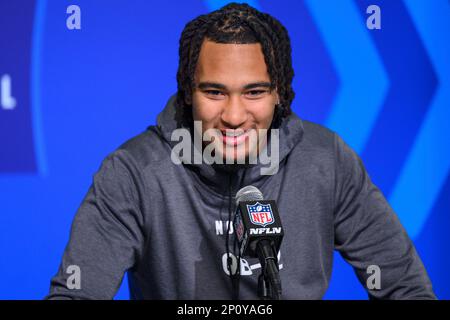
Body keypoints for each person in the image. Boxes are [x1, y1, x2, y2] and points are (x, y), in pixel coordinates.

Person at [46, 3, 435, 300]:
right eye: (214, 92)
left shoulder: (326, 161)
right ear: (188, 92)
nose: (233, 117)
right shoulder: (133, 172)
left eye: (254, 92)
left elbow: (406, 289)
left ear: (280, 93)